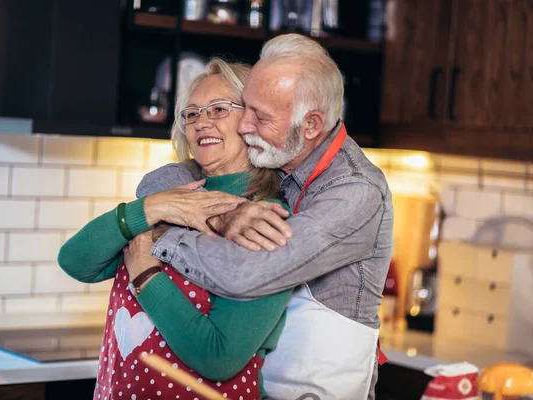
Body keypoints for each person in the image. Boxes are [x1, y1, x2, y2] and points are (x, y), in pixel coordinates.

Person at [136, 33, 394, 400]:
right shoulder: (276, 157)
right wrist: (211, 214)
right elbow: (164, 179)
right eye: (245, 109)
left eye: (260, 116)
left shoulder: (354, 192)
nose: (244, 126)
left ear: (310, 126)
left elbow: (248, 275)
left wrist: (160, 234)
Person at [58, 58, 294, 400]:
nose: (201, 122)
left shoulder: (267, 219)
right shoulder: (171, 195)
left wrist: (145, 277)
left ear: (254, 120)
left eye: (218, 109)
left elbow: (219, 356)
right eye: (192, 113)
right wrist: (150, 207)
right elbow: (75, 260)